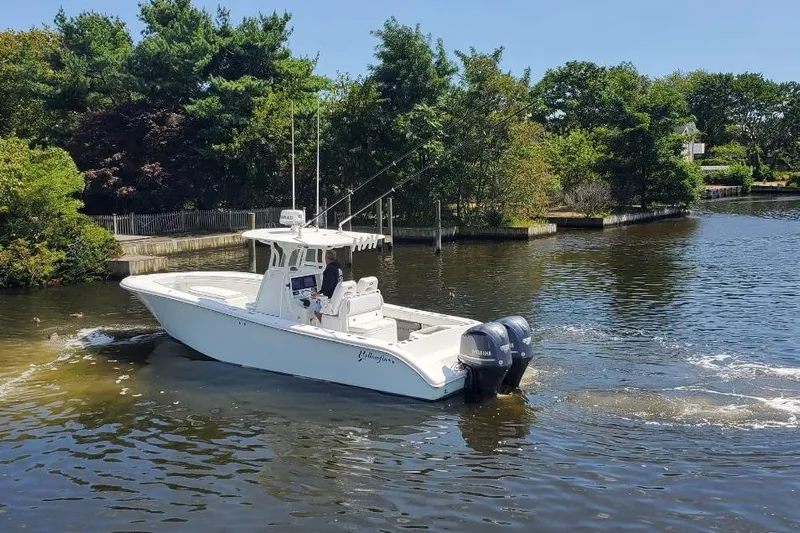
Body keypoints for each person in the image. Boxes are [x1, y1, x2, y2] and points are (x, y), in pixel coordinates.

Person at [313, 249, 343, 322]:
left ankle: (322, 325)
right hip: (337, 295)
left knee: (316, 310)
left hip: (329, 296)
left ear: (326, 258)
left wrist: (318, 293)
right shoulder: (339, 268)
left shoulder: (329, 269)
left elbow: (328, 286)